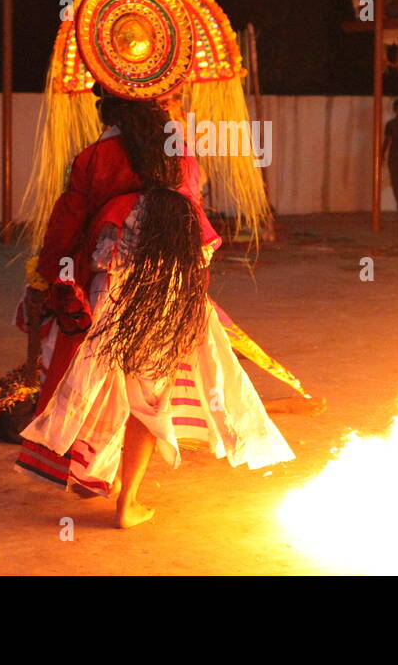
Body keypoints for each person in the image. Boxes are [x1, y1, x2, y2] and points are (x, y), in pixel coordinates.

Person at [19, 89, 293, 527]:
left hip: (114, 282)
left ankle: (90, 470)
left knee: (99, 375)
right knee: (150, 388)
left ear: (105, 113)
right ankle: (126, 500)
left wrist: (48, 276)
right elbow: (196, 219)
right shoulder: (180, 156)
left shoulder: (94, 158)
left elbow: (66, 224)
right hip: (173, 283)